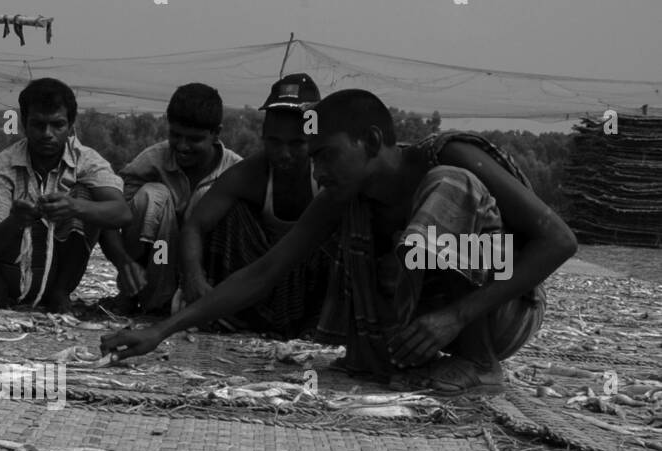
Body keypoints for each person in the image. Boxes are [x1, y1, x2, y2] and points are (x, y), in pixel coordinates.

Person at [103, 89, 577, 395]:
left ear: (370, 140)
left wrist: (456, 316)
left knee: (448, 187)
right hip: (424, 325)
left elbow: (559, 241)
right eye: (313, 160)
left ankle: (481, 362)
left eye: (326, 156)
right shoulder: (344, 194)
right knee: (377, 234)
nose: (317, 171)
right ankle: (404, 356)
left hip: (498, 312)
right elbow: (265, 272)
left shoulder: (450, 156)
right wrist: (161, 331)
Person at [0, 78, 130, 313]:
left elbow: (122, 213)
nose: (47, 134)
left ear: (71, 125)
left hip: (59, 268)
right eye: (38, 125)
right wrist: (13, 221)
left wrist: (74, 206)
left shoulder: (86, 159)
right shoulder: (4, 166)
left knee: (85, 195)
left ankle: (60, 293)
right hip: (12, 266)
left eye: (57, 125)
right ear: (24, 123)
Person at [175, 73, 333, 338]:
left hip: (309, 284)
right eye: (274, 142)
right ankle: (228, 315)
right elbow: (195, 226)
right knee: (229, 213)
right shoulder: (252, 173)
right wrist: (194, 278)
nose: (284, 154)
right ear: (264, 136)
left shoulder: (330, 174)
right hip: (261, 278)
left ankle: (323, 325)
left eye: (296, 144)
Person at [97, 83, 243, 315]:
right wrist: (124, 263)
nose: (182, 147)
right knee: (152, 196)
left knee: (207, 199)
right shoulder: (152, 160)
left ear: (216, 134)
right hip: (161, 254)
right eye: (176, 136)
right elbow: (110, 214)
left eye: (194, 140)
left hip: (205, 271)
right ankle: (147, 295)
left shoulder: (235, 170)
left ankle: (201, 301)